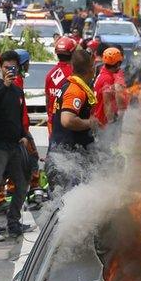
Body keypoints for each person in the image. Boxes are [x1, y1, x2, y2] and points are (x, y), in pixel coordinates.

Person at [0, 52, 32, 241]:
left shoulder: (18, 91)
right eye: (6, 67)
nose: (11, 71)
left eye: (13, 67)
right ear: (0, 68)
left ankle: (13, 222)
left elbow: (18, 117)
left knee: (22, 184)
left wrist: (23, 136)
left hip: (14, 145)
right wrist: (5, 85)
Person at [47, 48, 99, 189]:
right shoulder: (75, 90)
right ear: (91, 68)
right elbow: (67, 120)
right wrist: (90, 123)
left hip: (67, 154)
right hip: (68, 157)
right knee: (66, 203)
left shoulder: (72, 86)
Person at [45, 36, 78, 135]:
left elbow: (47, 100)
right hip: (68, 123)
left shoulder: (50, 74)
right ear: (73, 53)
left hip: (53, 121)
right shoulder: (74, 74)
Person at [94, 46, 128, 127]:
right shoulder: (108, 79)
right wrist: (111, 122)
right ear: (118, 63)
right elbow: (107, 103)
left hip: (98, 117)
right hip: (102, 122)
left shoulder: (103, 71)